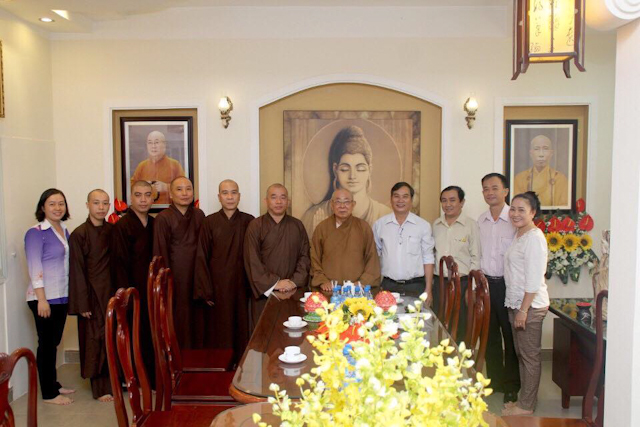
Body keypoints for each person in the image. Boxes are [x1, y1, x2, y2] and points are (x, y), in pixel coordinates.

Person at [24, 189, 75, 405]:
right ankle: (48, 393)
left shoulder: (64, 230)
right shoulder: (36, 232)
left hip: (61, 296)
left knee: (53, 343)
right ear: (43, 207)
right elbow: (34, 266)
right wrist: (42, 299)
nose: (57, 207)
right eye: (52, 203)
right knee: (46, 344)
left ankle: (53, 384)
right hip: (43, 298)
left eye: (61, 203)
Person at [193, 179, 254, 362]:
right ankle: (221, 367)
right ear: (219, 197)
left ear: (239, 196)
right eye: (225, 193)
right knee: (219, 329)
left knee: (242, 327)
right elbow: (201, 256)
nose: (230, 197)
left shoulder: (249, 221)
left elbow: (255, 257)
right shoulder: (209, 222)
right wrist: (205, 290)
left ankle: (241, 368)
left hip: (242, 285)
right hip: (217, 287)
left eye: (233, 192)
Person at [501, 192, 550, 417]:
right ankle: (523, 400)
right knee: (521, 355)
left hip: (529, 307)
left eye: (522, 209)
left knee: (530, 357)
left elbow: (534, 278)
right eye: (513, 209)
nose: (515, 213)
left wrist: (523, 310)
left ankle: (527, 406)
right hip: (516, 303)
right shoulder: (520, 234)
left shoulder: (534, 238)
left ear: (533, 212)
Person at [301, 125, 391, 237]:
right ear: (335, 169)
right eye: (345, 169)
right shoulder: (313, 216)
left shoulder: (385, 215)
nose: (352, 176)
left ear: (370, 170)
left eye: (360, 169)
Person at [477, 173, 520, 404]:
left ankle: (512, 385)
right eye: (485, 189)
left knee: (510, 336)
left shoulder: (515, 219)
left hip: (508, 285)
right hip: (485, 285)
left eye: (494, 188)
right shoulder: (481, 221)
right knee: (489, 335)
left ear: (505, 191)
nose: (489, 192)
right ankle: (494, 381)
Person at [68, 189, 114, 402]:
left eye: (105, 203)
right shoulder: (79, 234)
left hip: (111, 291)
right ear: (87, 205)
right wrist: (82, 303)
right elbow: (76, 270)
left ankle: (114, 382)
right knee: (95, 339)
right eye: (96, 203)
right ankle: (100, 388)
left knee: (112, 338)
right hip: (91, 294)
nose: (101, 207)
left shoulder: (112, 230)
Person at [244, 184, 310, 328]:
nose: (278, 201)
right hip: (265, 294)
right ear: (266, 201)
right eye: (274, 197)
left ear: (288, 202)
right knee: (264, 333)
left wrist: (293, 282)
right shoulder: (255, 226)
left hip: (292, 293)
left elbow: (305, 256)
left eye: (283, 197)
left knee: (292, 332)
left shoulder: (297, 225)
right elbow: (252, 260)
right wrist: (274, 283)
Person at [110, 180, 155, 384]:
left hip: (150, 289)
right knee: (133, 333)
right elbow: (118, 263)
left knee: (149, 333)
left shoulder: (154, 223)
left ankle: (150, 376)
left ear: (153, 198)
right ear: (131, 198)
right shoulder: (122, 226)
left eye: (147, 195)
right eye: (138, 195)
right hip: (132, 291)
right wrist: (125, 295)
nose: (143, 199)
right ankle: (133, 378)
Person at [153, 176, 204, 349]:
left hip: (196, 276)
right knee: (177, 318)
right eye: (179, 189)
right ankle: (178, 358)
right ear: (171, 194)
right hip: (175, 277)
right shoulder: (163, 218)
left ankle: (198, 358)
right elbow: (160, 252)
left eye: (188, 189)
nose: (184, 193)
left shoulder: (199, 215)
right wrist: (166, 282)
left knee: (197, 318)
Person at [432, 185, 480, 342]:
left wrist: (472, 288)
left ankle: (458, 357)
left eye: (452, 200)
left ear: (462, 202)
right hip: (440, 283)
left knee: (461, 327)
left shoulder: (471, 225)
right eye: (444, 200)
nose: (448, 204)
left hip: (462, 283)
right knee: (439, 324)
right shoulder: (435, 225)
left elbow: (476, 258)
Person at [373, 182, 435, 300]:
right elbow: (376, 255)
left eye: (405, 196)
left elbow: (428, 258)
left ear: (411, 200)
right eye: (396, 196)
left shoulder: (423, 225)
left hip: (415, 286)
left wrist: (428, 290)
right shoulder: (380, 225)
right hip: (388, 285)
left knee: (417, 313)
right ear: (391, 199)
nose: (400, 200)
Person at [310, 188, 381, 291]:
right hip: (329, 289)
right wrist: (322, 280)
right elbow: (314, 258)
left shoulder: (363, 227)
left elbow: (372, 259)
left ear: (353, 204)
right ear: (332, 205)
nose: (342, 206)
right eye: (338, 202)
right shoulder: (322, 228)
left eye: (347, 202)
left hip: (356, 289)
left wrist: (363, 282)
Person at [130, 130, 186, 205]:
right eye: (150, 143)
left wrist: (166, 187)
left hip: (168, 208)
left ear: (164, 144)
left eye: (156, 142)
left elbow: (184, 187)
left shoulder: (175, 165)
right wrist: (143, 186)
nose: (153, 146)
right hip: (145, 207)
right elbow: (131, 186)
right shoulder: (142, 166)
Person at [513, 135, 569, 207]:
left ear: (551, 153)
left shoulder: (560, 178)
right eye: (536, 149)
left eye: (545, 149)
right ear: (531, 153)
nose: (541, 154)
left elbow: (563, 207)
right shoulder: (520, 178)